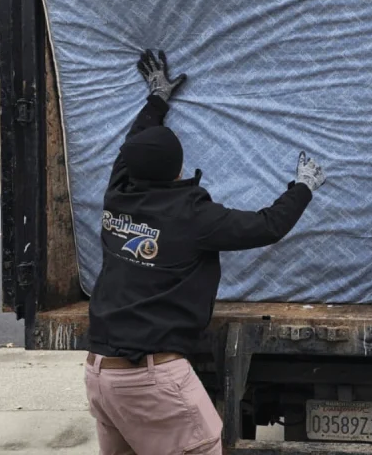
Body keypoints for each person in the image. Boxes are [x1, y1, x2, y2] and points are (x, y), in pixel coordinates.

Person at [84, 49, 327, 455]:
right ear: (178, 171)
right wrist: (304, 186)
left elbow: (132, 146)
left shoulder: (118, 194)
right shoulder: (192, 216)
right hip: (153, 379)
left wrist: (157, 99)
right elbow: (267, 225)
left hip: (101, 376)